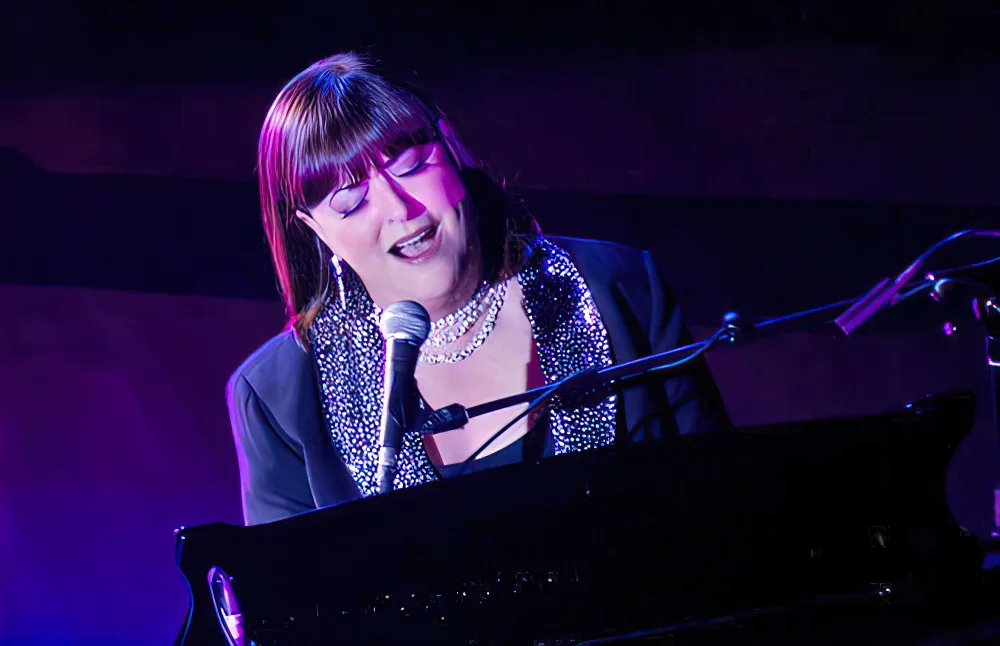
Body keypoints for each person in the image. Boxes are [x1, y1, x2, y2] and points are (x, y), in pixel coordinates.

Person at [228, 52, 732, 526]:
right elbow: (293, 584)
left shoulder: (616, 286)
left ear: (450, 147)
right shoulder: (277, 395)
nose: (400, 210)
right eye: (351, 201)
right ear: (315, 229)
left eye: (411, 167)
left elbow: (719, 506)